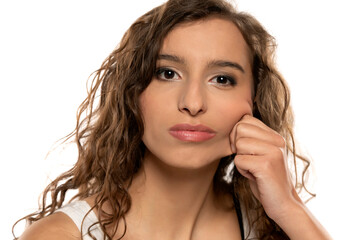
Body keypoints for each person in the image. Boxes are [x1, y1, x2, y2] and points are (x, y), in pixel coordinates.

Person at [14, 0, 332, 239]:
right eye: (167, 73)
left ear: (254, 101)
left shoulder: (269, 227)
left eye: (222, 79)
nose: (192, 103)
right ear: (132, 93)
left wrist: (290, 209)